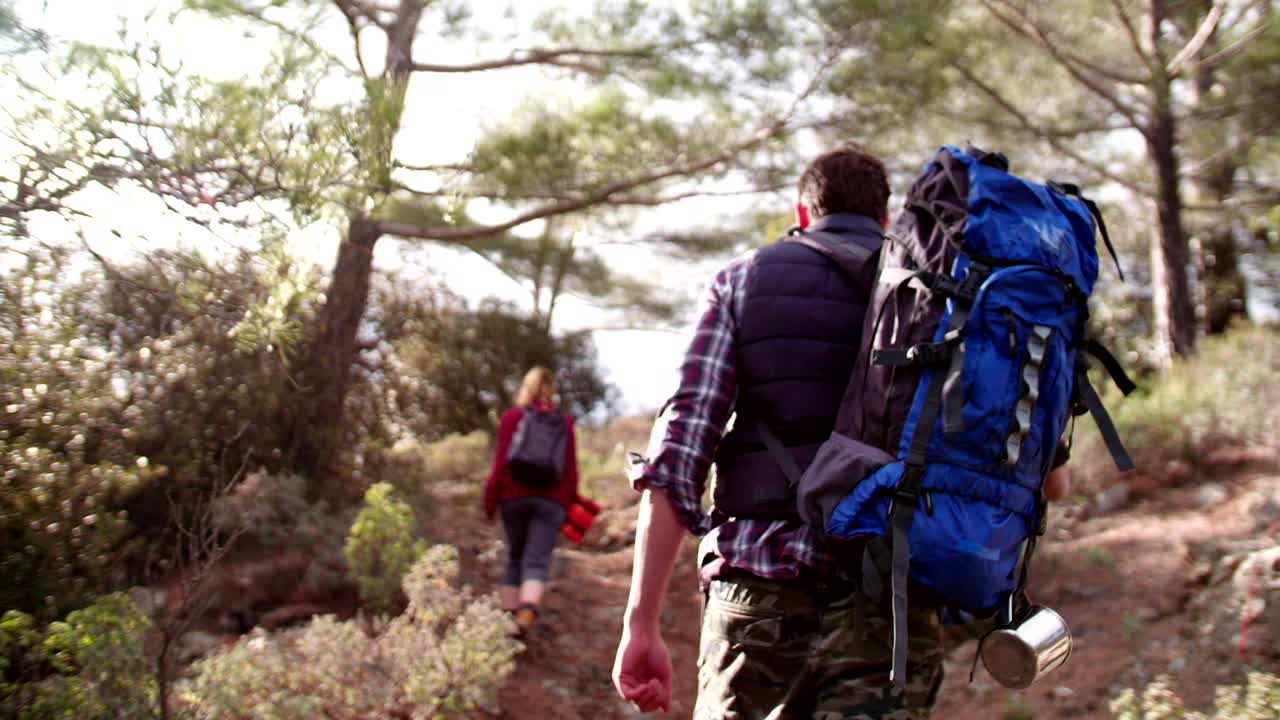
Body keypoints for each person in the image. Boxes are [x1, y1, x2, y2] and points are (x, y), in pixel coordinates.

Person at [611, 143, 1073, 718]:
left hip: (760, 601)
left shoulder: (744, 281)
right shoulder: (947, 296)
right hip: (892, 610)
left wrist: (642, 622)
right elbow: (1049, 485)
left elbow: (678, 457)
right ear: (885, 219)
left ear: (804, 213)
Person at [484, 366, 581, 635]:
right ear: (552, 391)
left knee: (515, 557)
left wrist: (490, 501)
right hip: (551, 501)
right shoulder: (564, 423)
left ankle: (508, 620)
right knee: (537, 559)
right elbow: (571, 471)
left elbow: (500, 464)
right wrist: (568, 506)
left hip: (513, 498)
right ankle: (525, 616)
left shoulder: (512, 418)